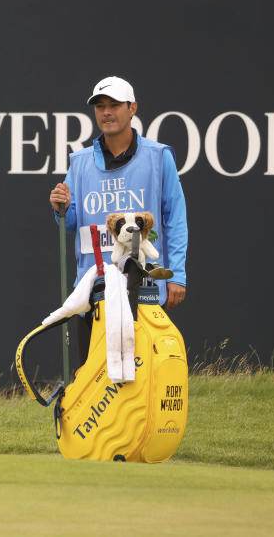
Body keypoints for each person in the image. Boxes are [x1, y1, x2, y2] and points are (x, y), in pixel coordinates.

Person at [48, 76, 188, 365]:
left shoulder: (159, 156)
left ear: (132, 108)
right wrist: (60, 207)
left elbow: (175, 218)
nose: (106, 112)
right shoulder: (80, 162)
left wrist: (178, 275)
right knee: (91, 375)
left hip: (144, 287)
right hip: (94, 285)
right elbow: (71, 222)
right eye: (100, 106)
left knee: (141, 375)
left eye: (114, 105)